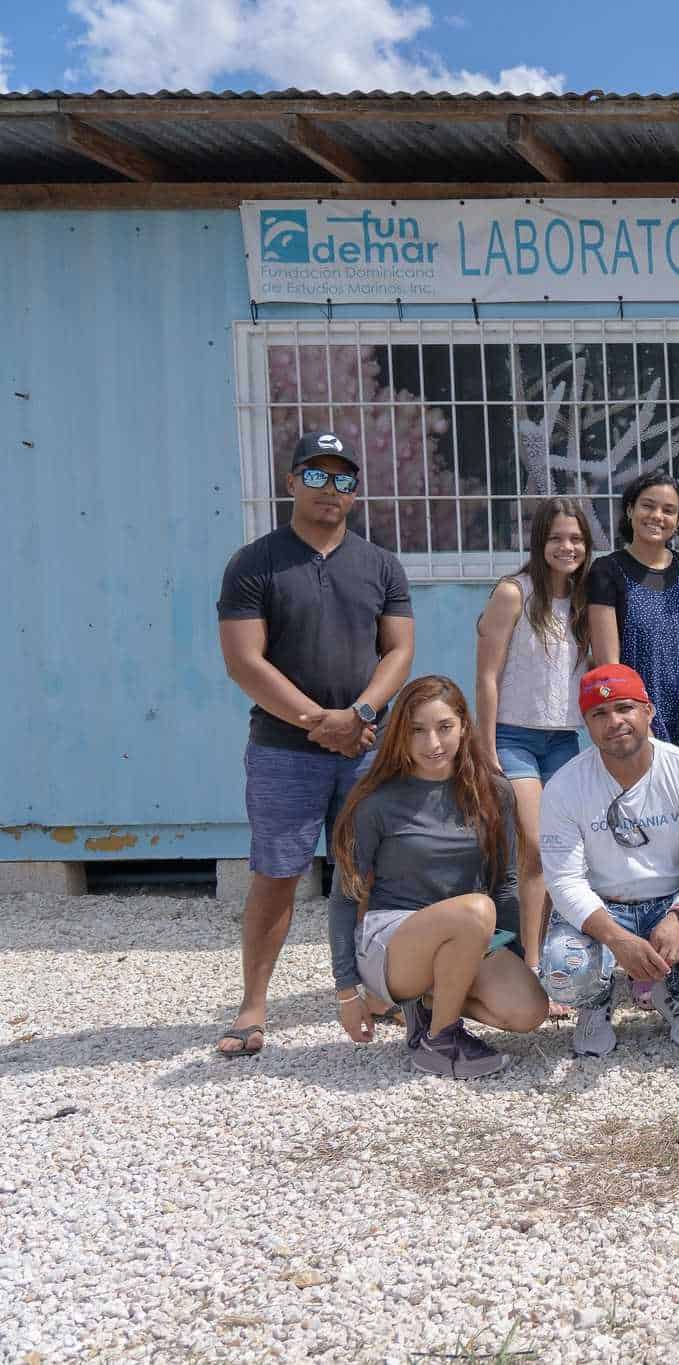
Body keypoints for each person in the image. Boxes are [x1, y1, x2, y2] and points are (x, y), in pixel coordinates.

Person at [215, 430, 414, 1057]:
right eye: (318, 476)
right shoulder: (255, 562)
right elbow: (245, 661)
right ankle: (252, 1007)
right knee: (277, 875)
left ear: (355, 494)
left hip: (365, 746)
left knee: (368, 874)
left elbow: (399, 649)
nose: (332, 490)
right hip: (283, 750)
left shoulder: (380, 564)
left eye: (344, 480)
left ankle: (372, 991)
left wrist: (359, 712)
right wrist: (316, 722)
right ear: (292, 482)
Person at [328, 677, 547, 1077]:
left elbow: (507, 884)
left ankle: (424, 1008)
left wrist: (511, 958)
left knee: (529, 1010)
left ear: (464, 726)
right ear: (400, 735)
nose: (433, 743)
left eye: (444, 727)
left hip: (467, 933)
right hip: (394, 940)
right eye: (417, 730)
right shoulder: (376, 800)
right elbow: (344, 898)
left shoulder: (494, 793)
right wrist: (347, 990)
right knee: (476, 910)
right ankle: (440, 1040)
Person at [538, 665, 679, 1057]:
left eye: (625, 708)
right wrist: (616, 939)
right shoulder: (565, 786)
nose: (614, 722)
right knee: (561, 972)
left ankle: (676, 994)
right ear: (586, 724)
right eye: (599, 715)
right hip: (603, 907)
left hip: (669, 900)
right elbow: (564, 881)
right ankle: (594, 1007)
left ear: (648, 711)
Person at [475, 496, 594, 1003]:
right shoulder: (512, 593)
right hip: (514, 736)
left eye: (576, 539)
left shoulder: (588, 602)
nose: (566, 547)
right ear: (539, 542)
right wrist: (484, 744)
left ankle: (565, 953)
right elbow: (487, 674)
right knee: (536, 843)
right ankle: (530, 960)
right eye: (557, 538)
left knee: (568, 848)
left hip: (564, 739)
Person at [587, 469, 679, 788]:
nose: (656, 516)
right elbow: (609, 666)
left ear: (678, 522)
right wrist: (635, 723)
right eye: (647, 506)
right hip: (639, 718)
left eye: (668, 510)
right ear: (630, 509)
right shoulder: (607, 571)